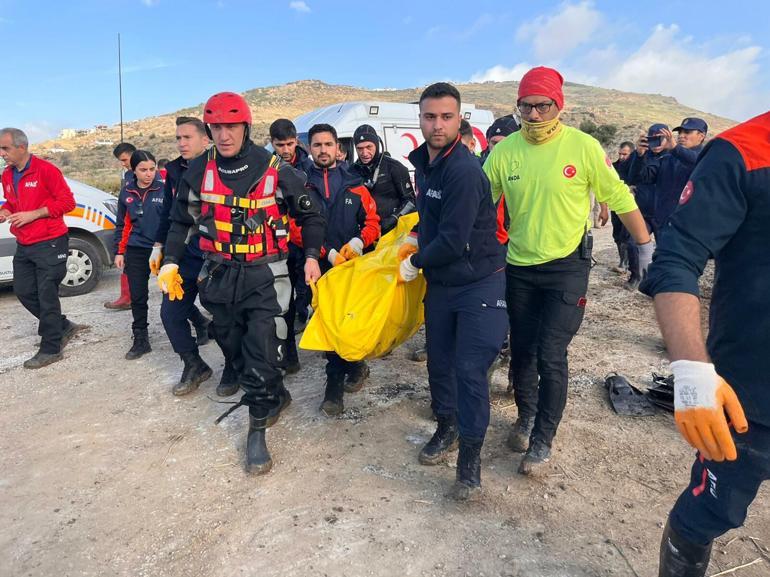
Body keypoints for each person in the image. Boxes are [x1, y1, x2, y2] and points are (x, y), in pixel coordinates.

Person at [483, 67, 653, 476]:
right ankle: (525, 418)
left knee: (551, 353)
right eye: (527, 106)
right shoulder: (504, 154)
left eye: (543, 105)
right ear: (518, 107)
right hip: (519, 266)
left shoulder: (583, 147)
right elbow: (479, 204)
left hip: (567, 267)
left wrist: (644, 244)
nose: (535, 114)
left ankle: (543, 438)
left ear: (560, 106)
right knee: (522, 351)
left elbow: (616, 194)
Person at [158, 92, 325, 475]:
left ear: (246, 126)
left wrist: (313, 255)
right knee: (230, 343)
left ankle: (257, 428)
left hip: (265, 274)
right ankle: (275, 393)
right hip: (217, 274)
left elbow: (312, 215)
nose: (224, 134)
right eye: (216, 127)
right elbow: (181, 221)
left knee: (261, 349)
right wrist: (168, 261)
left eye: (231, 126)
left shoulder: (276, 169)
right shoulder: (197, 170)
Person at [640, 111, 769, 577]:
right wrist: (692, 373)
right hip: (752, 397)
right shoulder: (745, 151)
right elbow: (675, 260)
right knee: (708, 514)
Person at [398, 82, 508, 500]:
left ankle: (470, 460)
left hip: (479, 281)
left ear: (460, 119)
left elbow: (454, 238)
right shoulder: (423, 165)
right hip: (443, 284)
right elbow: (430, 220)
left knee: (469, 369)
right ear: (420, 119)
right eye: (430, 116)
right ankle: (446, 428)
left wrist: (417, 260)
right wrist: (412, 238)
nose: (437, 124)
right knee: (439, 363)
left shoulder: (463, 170)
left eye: (446, 117)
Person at [303, 123, 380, 414]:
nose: (323, 150)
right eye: (317, 145)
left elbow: (373, 221)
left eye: (328, 144)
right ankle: (334, 385)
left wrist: (360, 241)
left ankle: (355, 365)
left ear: (338, 148)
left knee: (349, 320)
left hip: (352, 267)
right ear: (310, 149)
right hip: (318, 266)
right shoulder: (302, 183)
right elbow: (297, 226)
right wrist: (326, 252)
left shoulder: (355, 182)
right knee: (327, 323)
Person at [0, 127, 86, 368]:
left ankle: (51, 347)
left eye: (5, 148)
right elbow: (12, 200)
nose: (1, 153)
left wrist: (34, 214)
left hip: (50, 241)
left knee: (46, 294)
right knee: (24, 291)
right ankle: (62, 326)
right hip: (25, 243)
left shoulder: (46, 170)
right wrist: (6, 210)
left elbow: (67, 202)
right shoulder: (7, 175)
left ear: (22, 147)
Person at [151, 117, 216, 396]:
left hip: (216, 255)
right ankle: (194, 364)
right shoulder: (175, 170)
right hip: (185, 253)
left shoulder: (221, 166)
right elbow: (170, 212)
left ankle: (236, 367)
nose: (181, 143)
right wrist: (159, 246)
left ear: (205, 139)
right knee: (170, 312)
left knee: (225, 316)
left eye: (187, 137)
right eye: (178, 138)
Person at [113, 150, 165, 360]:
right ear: (133, 170)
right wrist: (119, 251)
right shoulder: (126, 193)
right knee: (138, 296)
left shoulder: (164, 190)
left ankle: (200, 323)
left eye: (152, 169)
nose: (148, 174)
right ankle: (141, 338)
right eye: (143, 170)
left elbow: (172, 221)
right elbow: (122, 224)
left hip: (161, 249)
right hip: (136, 249)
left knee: (172, 292)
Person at [269, 118, 310, 374]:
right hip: (280, 244)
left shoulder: (310, 164)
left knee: (312, 295)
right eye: (280, 145)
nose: (285, 149)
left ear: (297, 140)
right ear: (272, 143)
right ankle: (290, 355)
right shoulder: (266, 168)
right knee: (284, 302)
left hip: (308, 242)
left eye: (290, 144)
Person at [629, 118, 706, 239]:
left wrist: (675, 148)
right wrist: (640, 156)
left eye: (687, 132)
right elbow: (644, 178)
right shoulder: (668, 156)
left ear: (701, 136)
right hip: (663, 222)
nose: (681, 136)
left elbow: (696, 161)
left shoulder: (705, 156)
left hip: (688, 225)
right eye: (680, 133)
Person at [349, 124, 415, 235]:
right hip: (365, 234)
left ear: (376, 145)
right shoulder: (351, 171)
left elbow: (411, 201)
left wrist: (393, 219)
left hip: (392, 232)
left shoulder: (394, 167)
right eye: (360, 149)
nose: (364, 153)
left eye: (369, 147)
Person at [104, 142, 137, 310]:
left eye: (125, 159)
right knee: (128, 264)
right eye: (121, 161)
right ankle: (127, 297)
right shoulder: (129, 176)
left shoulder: (146, 174)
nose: (123, 163)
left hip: (141, 231)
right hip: (128, 229)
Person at [610, 141, 635, 273]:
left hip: (631, 207)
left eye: (624, 154)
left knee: (627, 235)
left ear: (632, 153)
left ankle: (625, 264)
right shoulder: (613, 167)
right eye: (620, 154)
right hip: (615, 205)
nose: (621, 157)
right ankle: (622, 261)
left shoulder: (636, 167)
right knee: (617, 234)